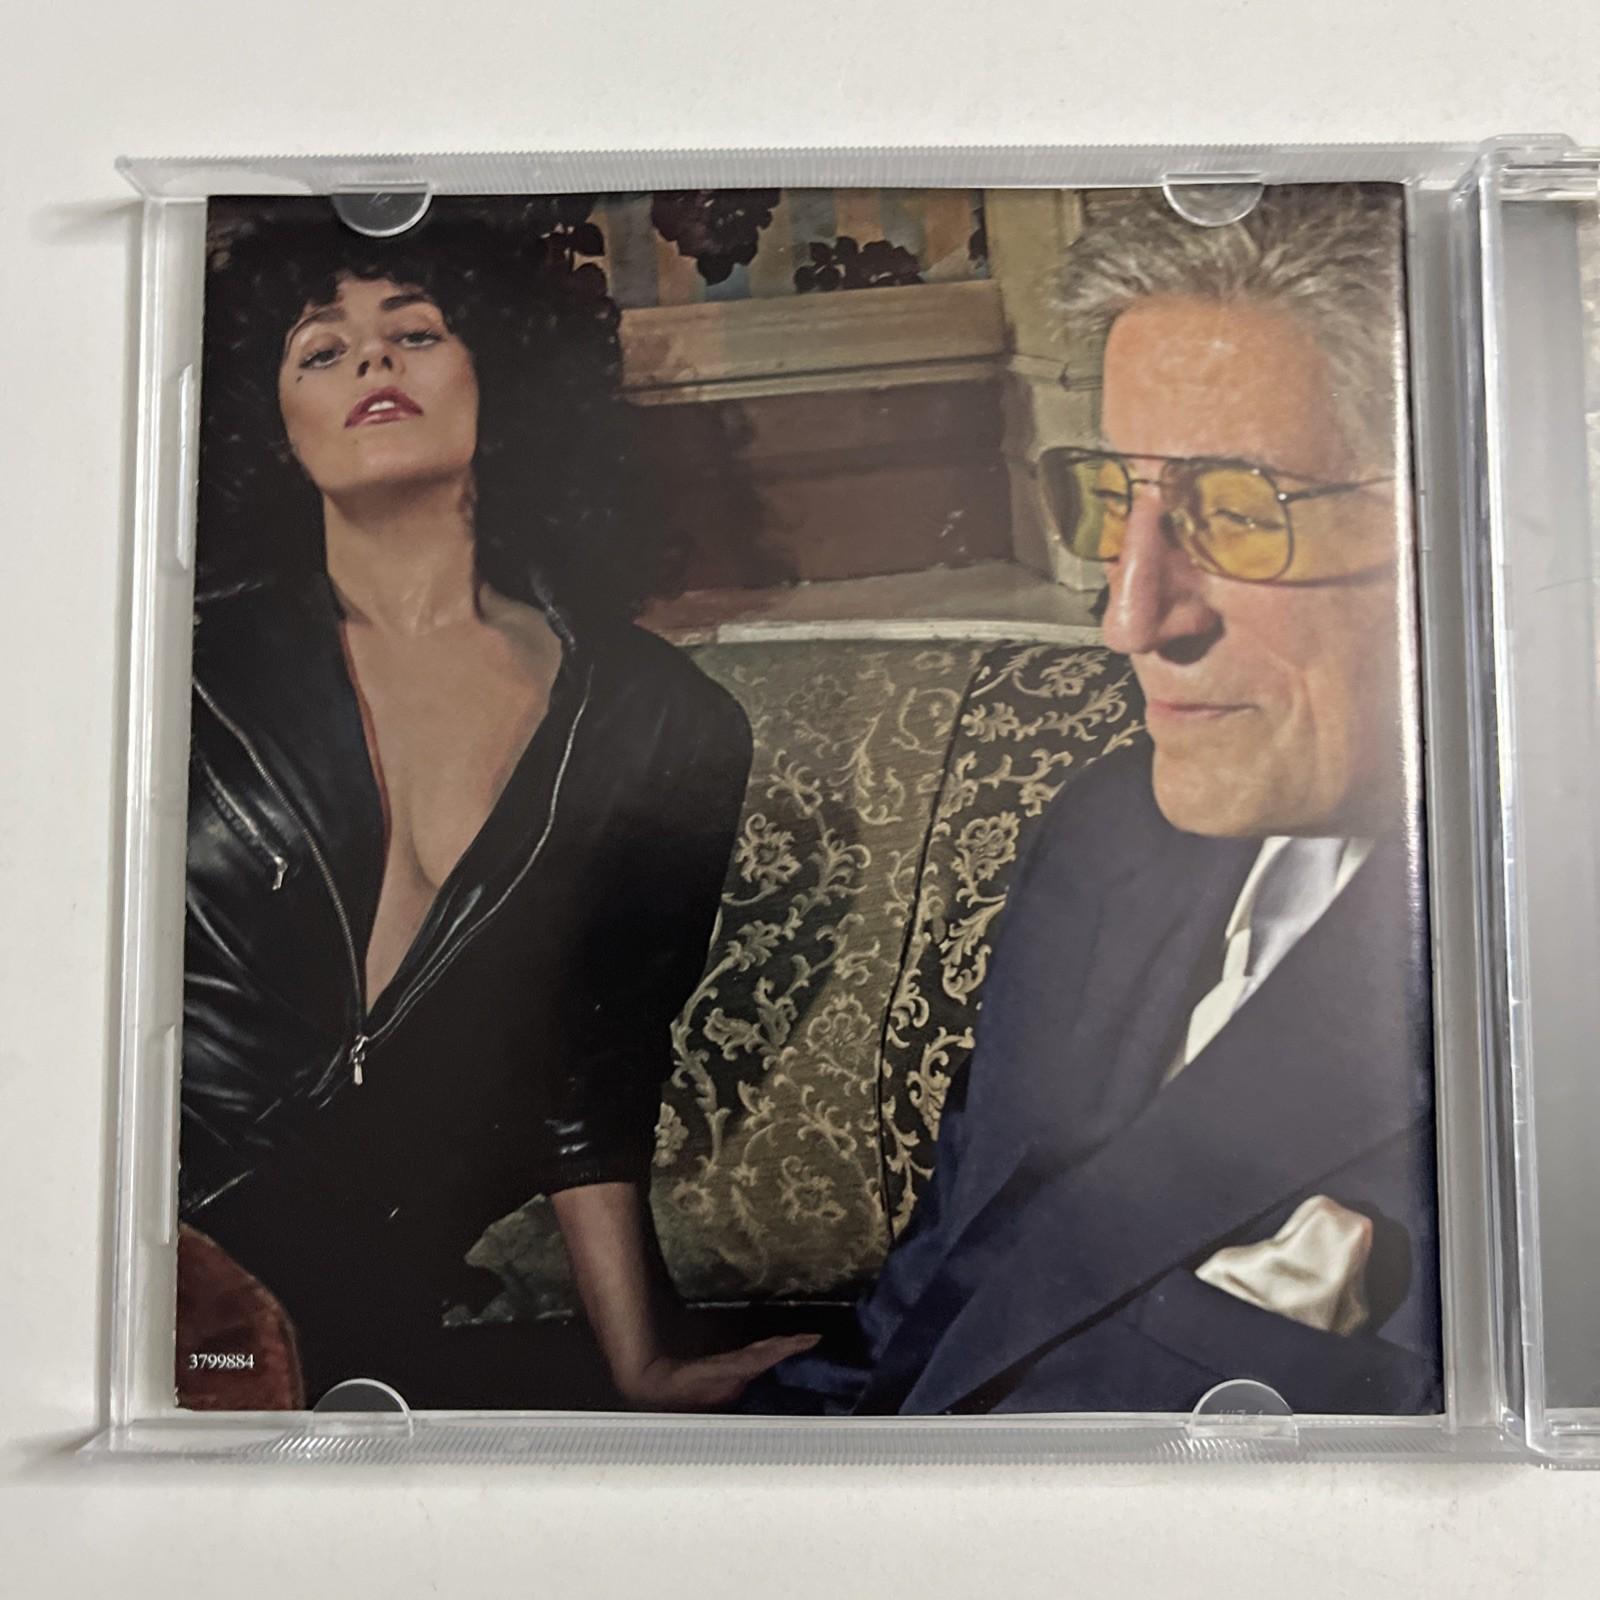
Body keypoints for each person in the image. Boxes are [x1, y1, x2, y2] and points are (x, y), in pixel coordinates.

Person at [757, 184, 1441, 1416]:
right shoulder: (1107, 830)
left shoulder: (1535, 1004)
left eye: (1237, 512)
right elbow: (924, 1315)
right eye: (1119, 500)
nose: (1130, 617)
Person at [178, 200, 816, 1410]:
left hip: (353, 1307)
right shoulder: (178, 672)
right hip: (129, 1255)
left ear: (501, 377)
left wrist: (641, 1363)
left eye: (415, 331)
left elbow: (592, 1063)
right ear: (270, 425)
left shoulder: (655, 721)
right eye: (321, 348)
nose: (372, 359)